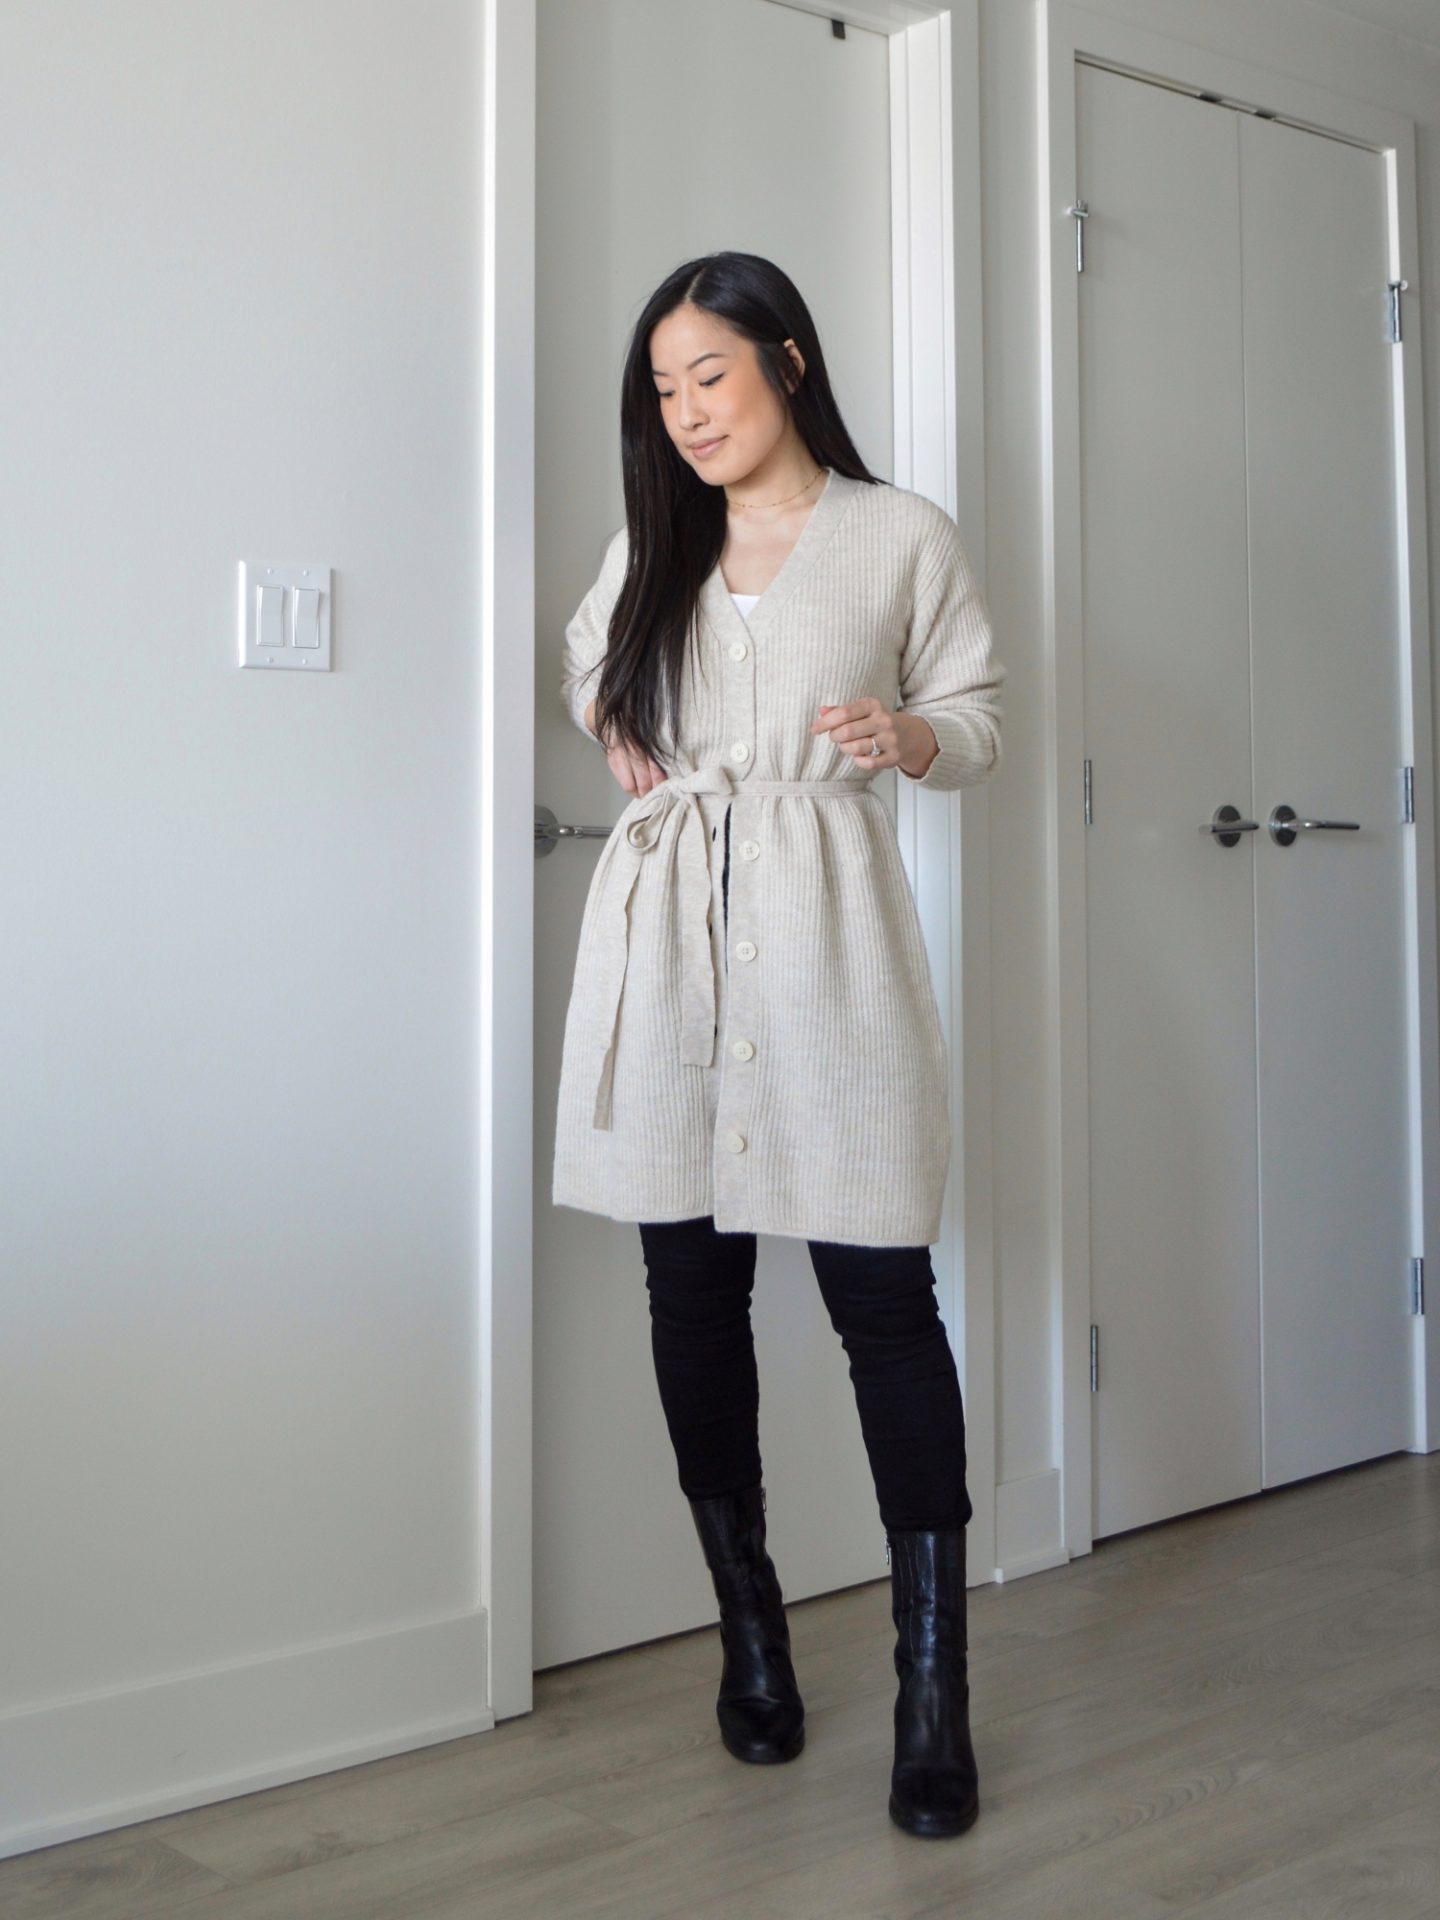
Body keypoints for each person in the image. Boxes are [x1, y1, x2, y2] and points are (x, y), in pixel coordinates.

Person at [551, 251, 1005, 1840]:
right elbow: (588, 656)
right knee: (692, 1281)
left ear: (789, 365)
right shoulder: (655, 542)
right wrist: (614, 727)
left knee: (883, 1291)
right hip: (671, 951)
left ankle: (933, 1690)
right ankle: (752, 1636)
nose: (685, 415)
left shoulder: (897, 536)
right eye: (662, 392)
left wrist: (918, 736)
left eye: (710, 381)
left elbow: (979, 706)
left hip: (828, 943)